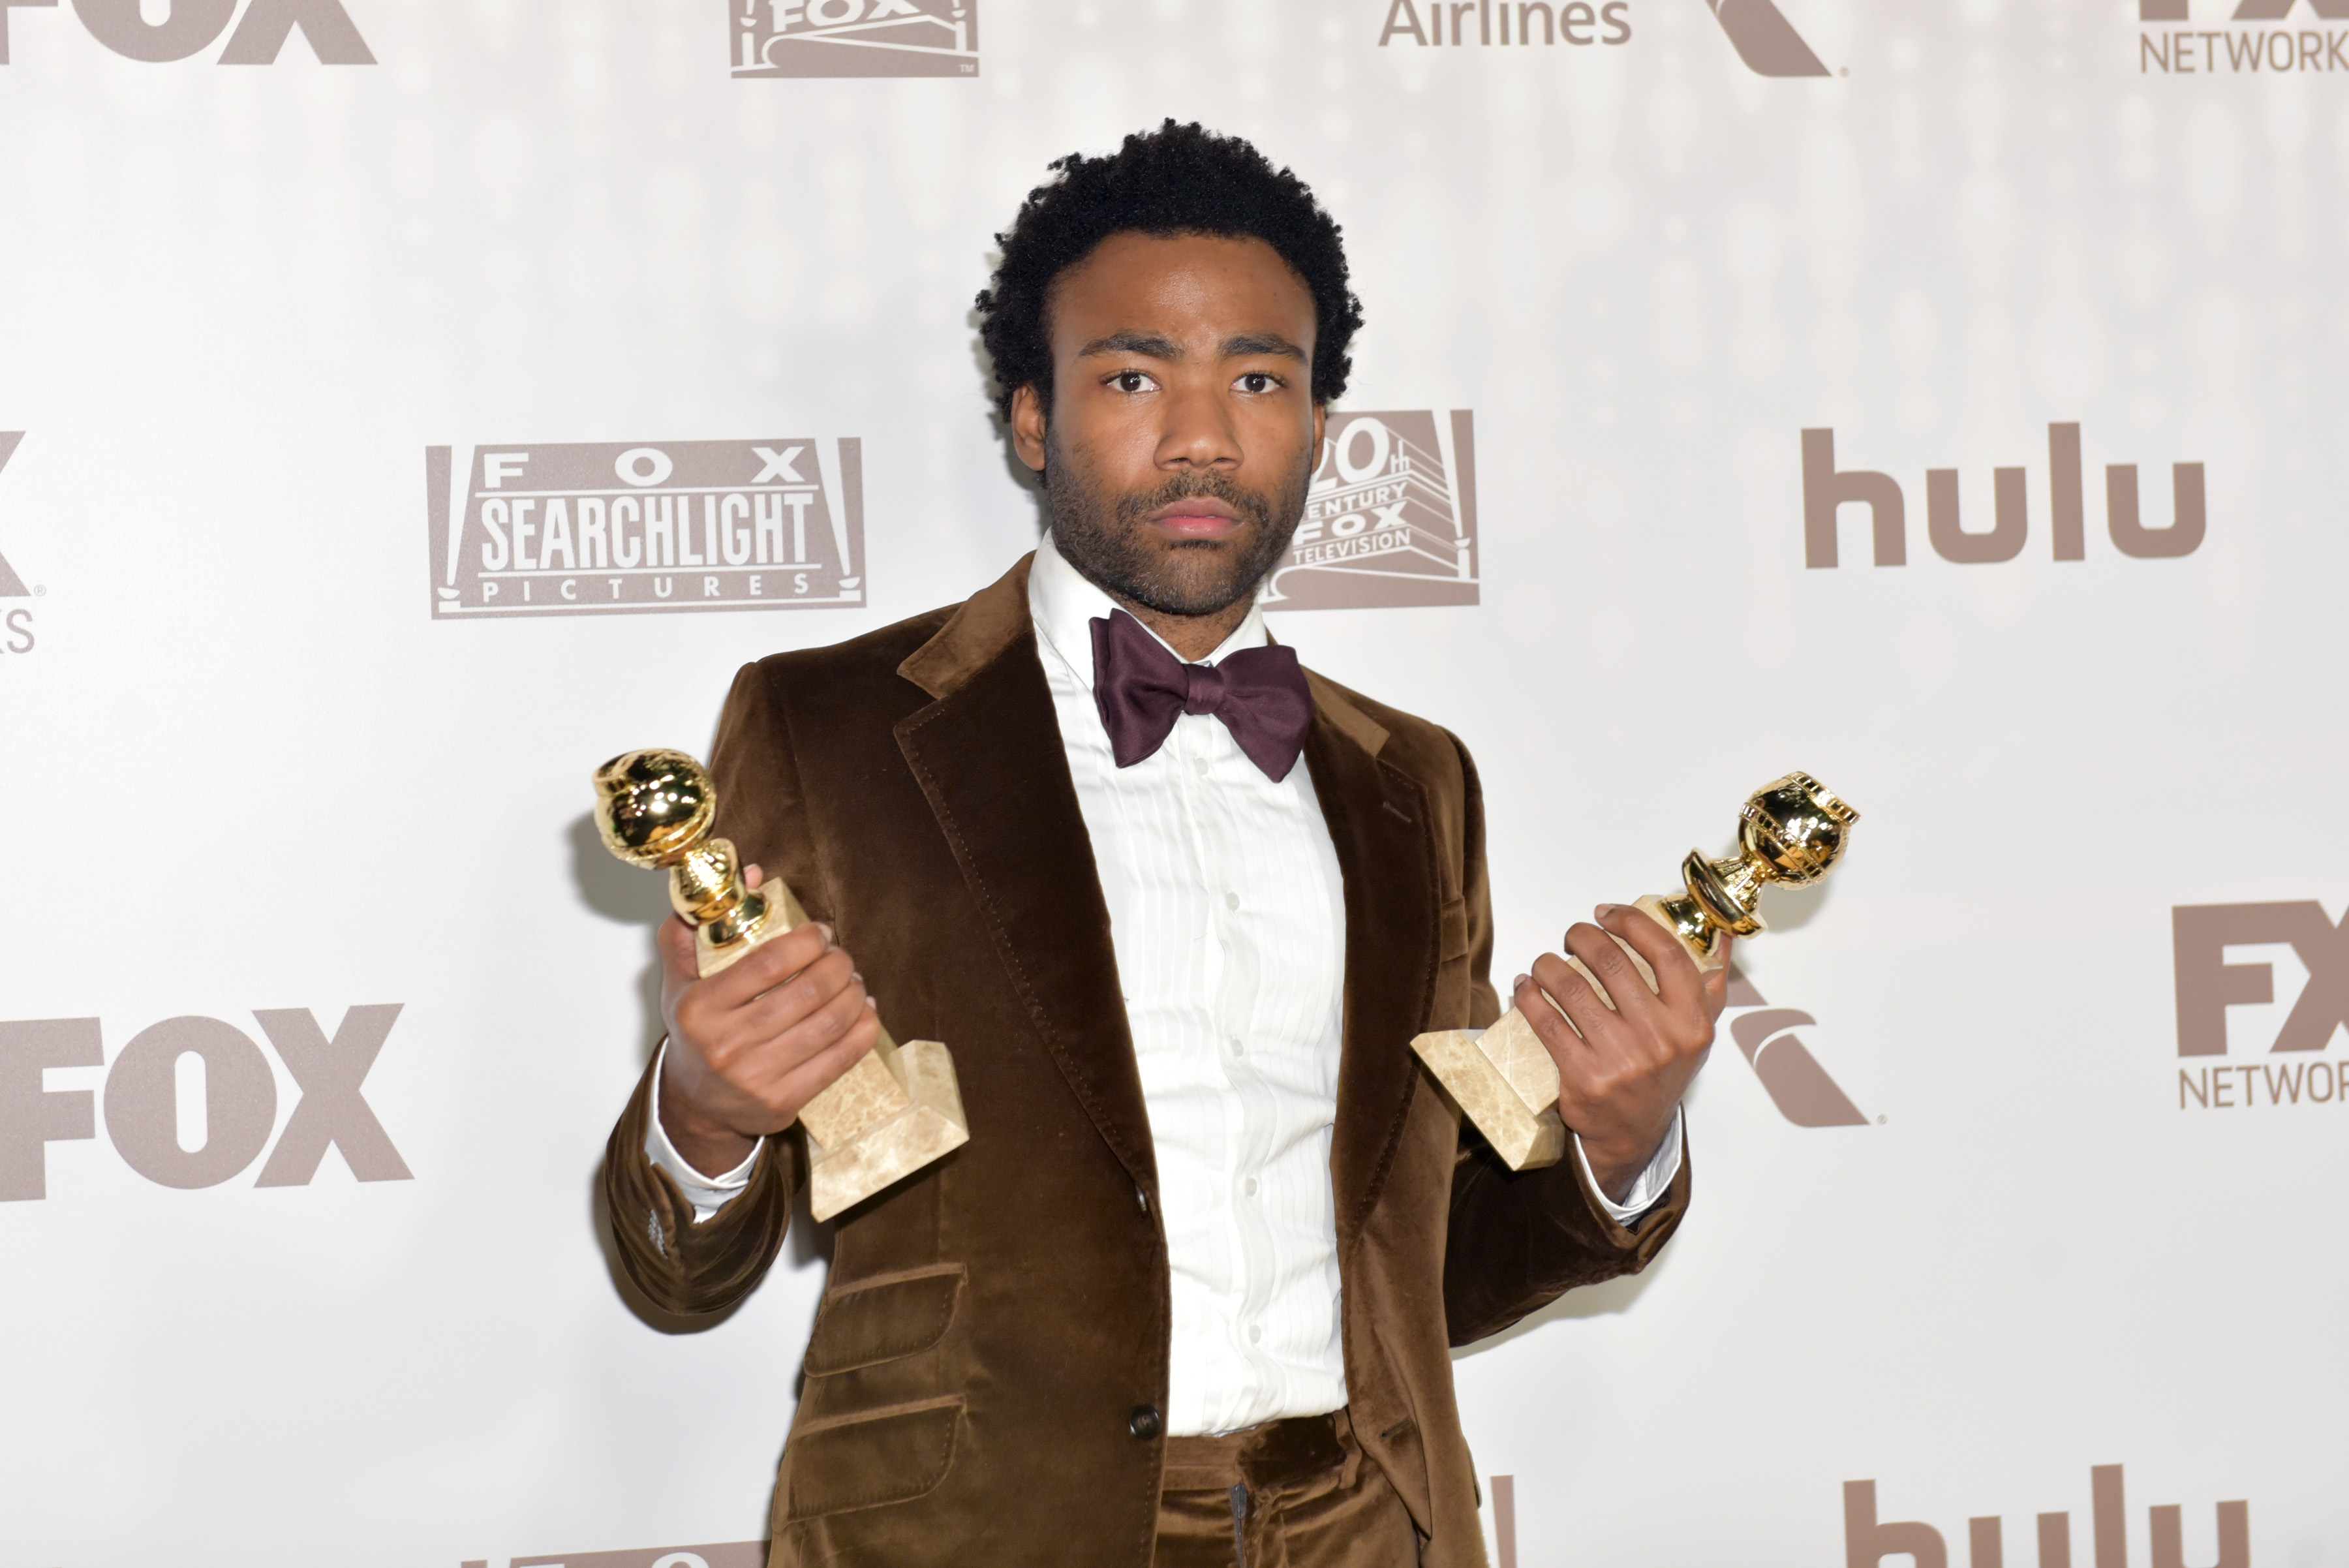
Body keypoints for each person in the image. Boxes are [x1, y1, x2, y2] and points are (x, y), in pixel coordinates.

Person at [600, 120, 1727, 1568]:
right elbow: (679, 1271)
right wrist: (705, 1116)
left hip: (1366, 1531)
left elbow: (1425, 1270)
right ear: (1031, 418)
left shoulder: (1417, 782)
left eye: (1259, 379)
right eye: (1133, 376)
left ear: (1319, 423)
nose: (1203, 436)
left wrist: (1619, 1150)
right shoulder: (830, 731)